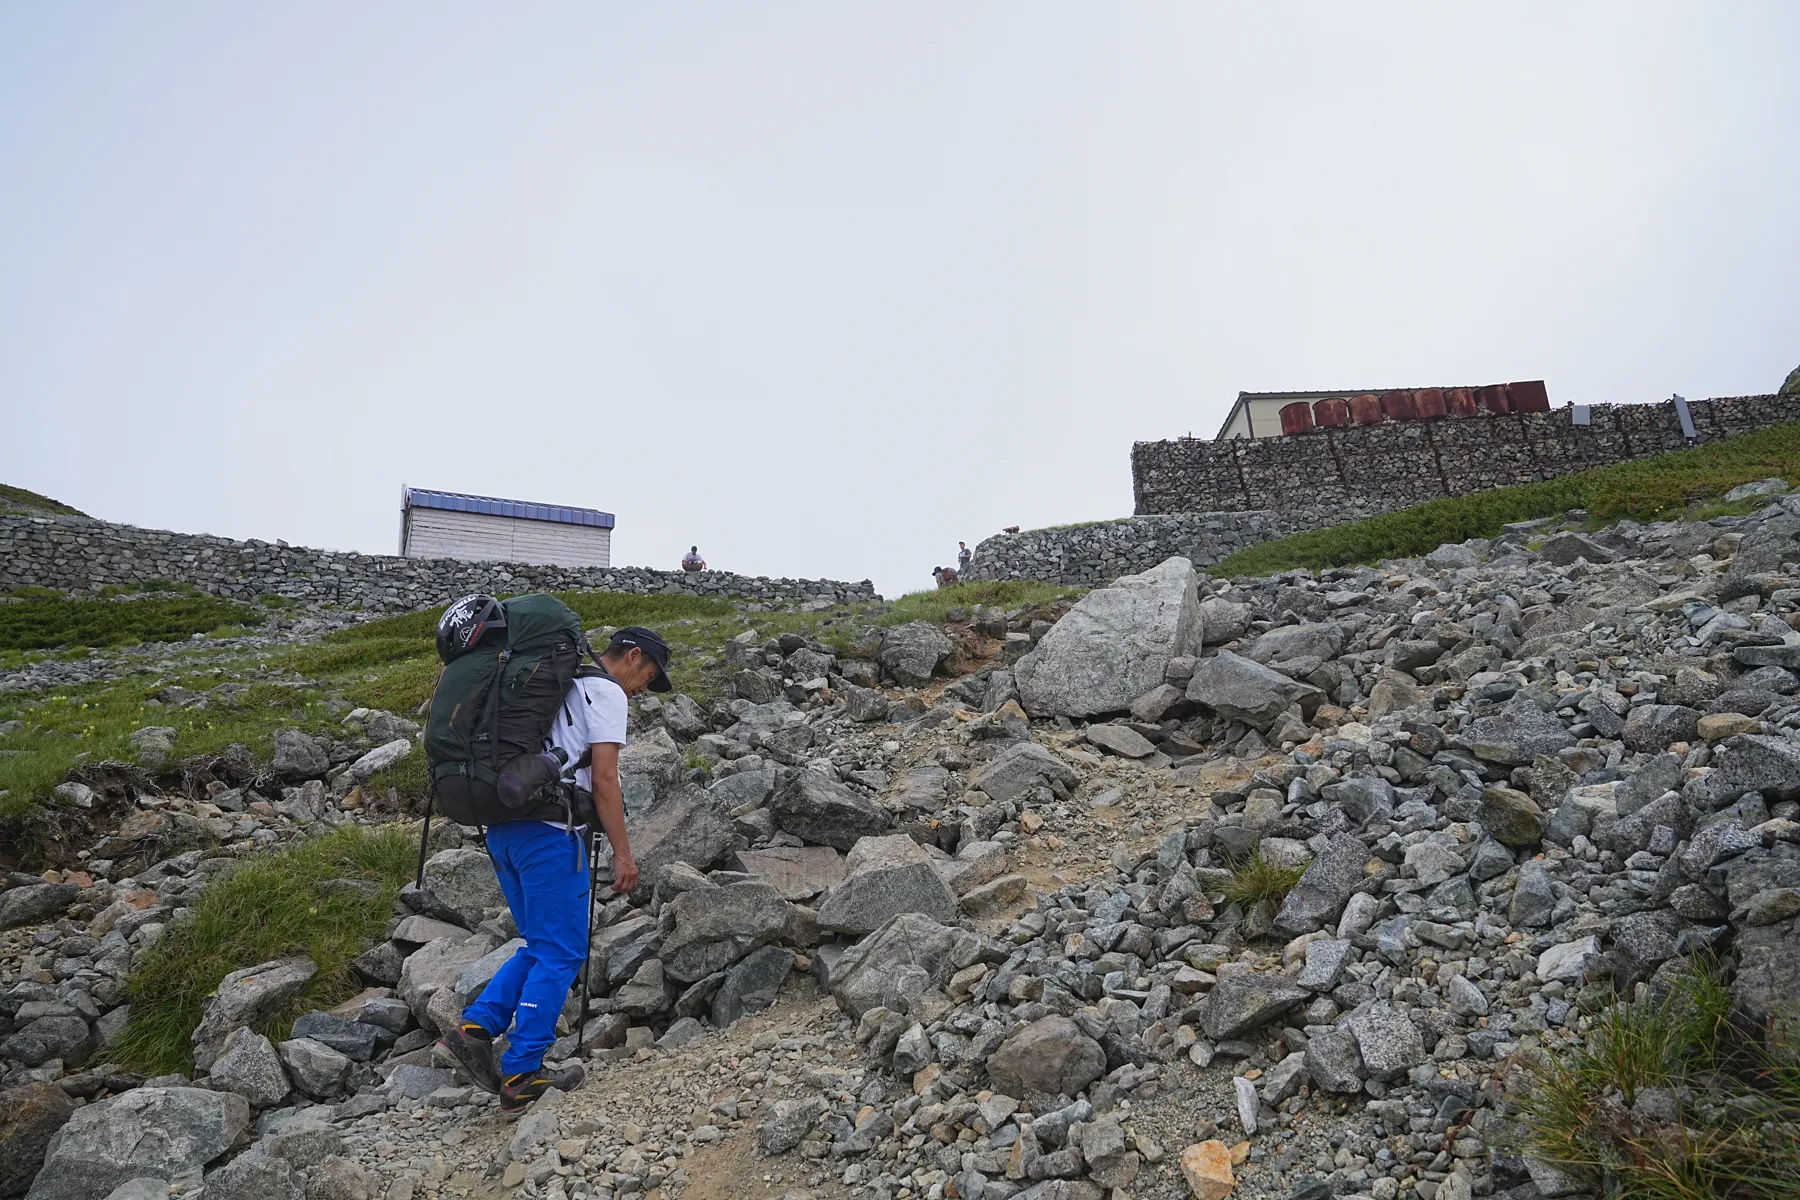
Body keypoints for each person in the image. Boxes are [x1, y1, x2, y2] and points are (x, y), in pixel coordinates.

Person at [438, 626, 672, 1117]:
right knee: (563, 953)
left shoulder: (550, 683)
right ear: (632, 657)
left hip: (502, 828)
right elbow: (605, 779)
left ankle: (475, 1029)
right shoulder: (604, 691)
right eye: (648, 676)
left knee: (541, 945)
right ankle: (522, 1073)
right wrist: (624, 855)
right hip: (548, 833)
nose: (644, 688)